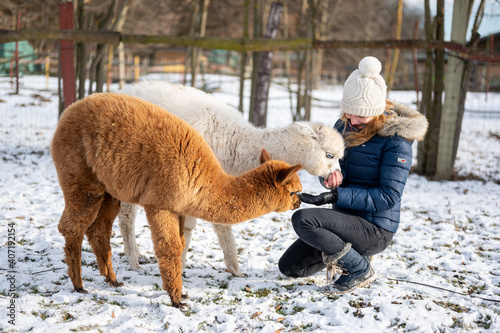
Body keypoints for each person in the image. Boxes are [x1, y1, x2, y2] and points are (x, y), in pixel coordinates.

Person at [278, 56, 428, 294]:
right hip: (344, 220)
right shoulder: (343, 126)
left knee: (303, 219)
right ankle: (352, 257)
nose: (353, 120)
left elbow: (388, 197)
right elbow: (334, 166)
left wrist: (335, 197)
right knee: (290, 267)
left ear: (376, 111)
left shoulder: (397, 141)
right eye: (349, 112)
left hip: (375, 229)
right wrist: (330, 177)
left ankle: (359, 268)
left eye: (361, 115)